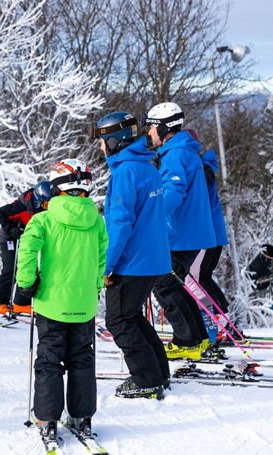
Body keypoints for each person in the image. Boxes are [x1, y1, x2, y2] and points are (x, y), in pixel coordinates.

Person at [16, 159, 108, 443]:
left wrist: (27, 283)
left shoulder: (43, 218)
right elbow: (101, 257)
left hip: (51, 304)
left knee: (49, 360)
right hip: (84, 305)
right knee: (82, 359)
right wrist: (94, 287)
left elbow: (27, 250)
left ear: (56, 186)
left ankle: (47, 417)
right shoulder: (96, 220)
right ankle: (81, 417)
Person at [93, 112, 172, 399]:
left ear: (114, 141)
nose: (102, 148)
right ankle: (157, 374)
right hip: (151, 259)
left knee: (119, 321)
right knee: (132, 318)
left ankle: (147, 379)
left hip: (132, 261)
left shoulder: (125, 172)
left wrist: (107, 265)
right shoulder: (146, 166)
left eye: (103, 142)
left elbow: (121, 224)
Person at [144, 102, 217, 359]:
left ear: (164, 128)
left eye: (151, 127)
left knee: (163, 284)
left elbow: (174, 192)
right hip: (189, 233)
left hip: (183, 235)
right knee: (173, 284)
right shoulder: (182, 151)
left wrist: (150, 221)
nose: (149, 133)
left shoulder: (175, 154)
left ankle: (188, 340)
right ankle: (196, 339)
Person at [183, 129, 230, 342]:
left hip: (204, 234)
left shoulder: (201, 168)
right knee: (201, 278)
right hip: (210, 233)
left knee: (192, 279)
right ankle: (221, 322)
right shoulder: (202, 166)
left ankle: (215, 325)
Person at [0, 181, 52, 316]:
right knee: (11, 267)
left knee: (29, 267)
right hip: (9, 237)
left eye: (50, 205)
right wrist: (12, 229)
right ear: (38, 200)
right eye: (46, 204)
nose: (48, 208)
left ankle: (22, 304)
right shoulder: (21, 205)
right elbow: (1, 212)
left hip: (26, 238)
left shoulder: (45, 213)